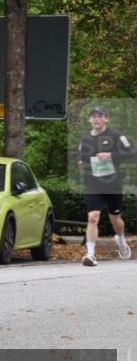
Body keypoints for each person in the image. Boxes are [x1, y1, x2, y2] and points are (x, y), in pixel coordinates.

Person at [76, 105, 135, 266]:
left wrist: (111, 155)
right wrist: (80, 161)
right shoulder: (85, 139)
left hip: (113, 183)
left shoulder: (116, 135)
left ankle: (121, 241)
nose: (96, 119)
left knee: (114, 217)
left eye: (100, 116)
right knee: (93, 217)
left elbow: (132, 152)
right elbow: (80, 156)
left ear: (106, 119)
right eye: (93, 116)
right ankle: (90, 254)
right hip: (93, 182)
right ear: (89, 119)